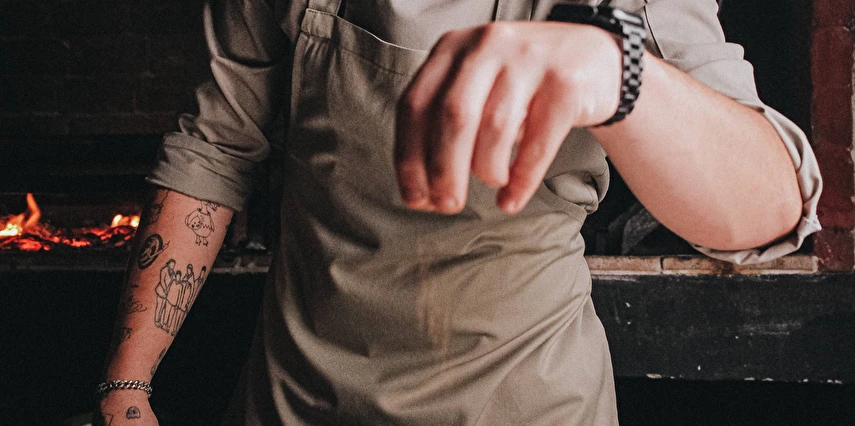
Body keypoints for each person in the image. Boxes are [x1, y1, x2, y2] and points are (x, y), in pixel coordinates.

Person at [95, 0, 822, 424]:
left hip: (520, 402)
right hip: (293, 402)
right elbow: (214, 147)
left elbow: (764, 209)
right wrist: (127, 385)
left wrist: (617, 73)